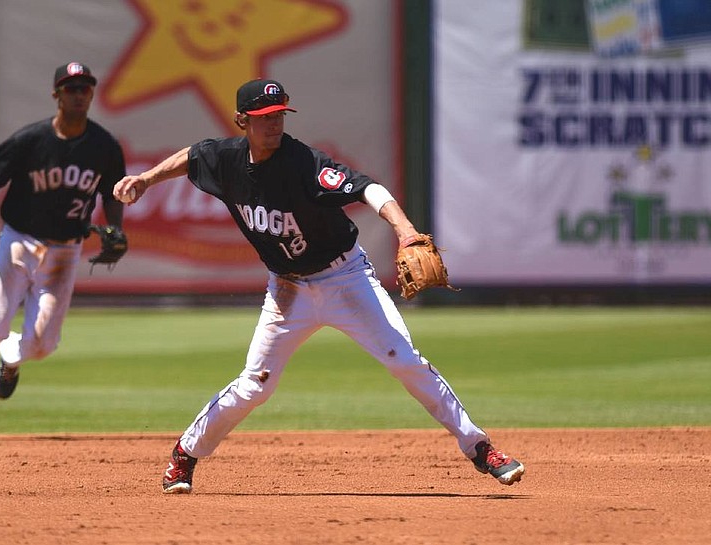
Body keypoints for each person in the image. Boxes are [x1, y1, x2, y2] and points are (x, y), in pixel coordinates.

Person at [113, 79, 524, 493]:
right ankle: (185, 455)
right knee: (255, 386)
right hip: (288, 291)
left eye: (279, 115)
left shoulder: (304, 163)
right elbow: (193, 156)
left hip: (346, 278)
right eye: (263, 117)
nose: (274, 124)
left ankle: (480, 448)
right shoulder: (225, 159)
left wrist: (405, 230)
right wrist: (145, 180)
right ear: (242, 121)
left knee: (405, 360)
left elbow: (368, 188)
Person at [0, 62, 126, 440]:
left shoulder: (104, 146)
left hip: (65, 250)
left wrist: (115, 227)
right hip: (19, 242)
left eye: (84, 88)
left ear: (91, 94)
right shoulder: (31, 140)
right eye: (70, 88)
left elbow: (111, 192)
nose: (78, 94)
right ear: (56, 95)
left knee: (44, 345)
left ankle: (11, 358)